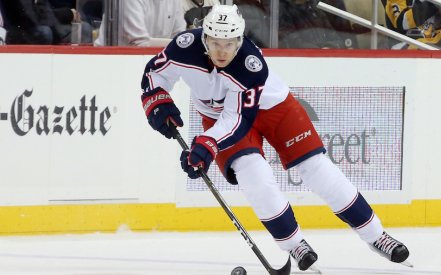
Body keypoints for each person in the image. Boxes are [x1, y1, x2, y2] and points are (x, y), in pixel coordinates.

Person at [140, 4, 411, 271]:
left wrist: (206, 144)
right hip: (221, 117)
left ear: (240, 40)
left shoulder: (251, 63)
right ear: (204, 38)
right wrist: (158, 100)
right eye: (215, 42)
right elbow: (155, 74)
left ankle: (377, 236)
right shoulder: (184, 46)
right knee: (252, 174)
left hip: (272, 109)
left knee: (315, 169)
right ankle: (294, 244)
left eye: (230, 43)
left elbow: (237, 120)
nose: (222, 51)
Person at [94, 0, 186, 47]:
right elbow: (140, 43)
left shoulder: (175, 1)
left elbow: (181, 39)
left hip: (153, 62)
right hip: (110, 63)